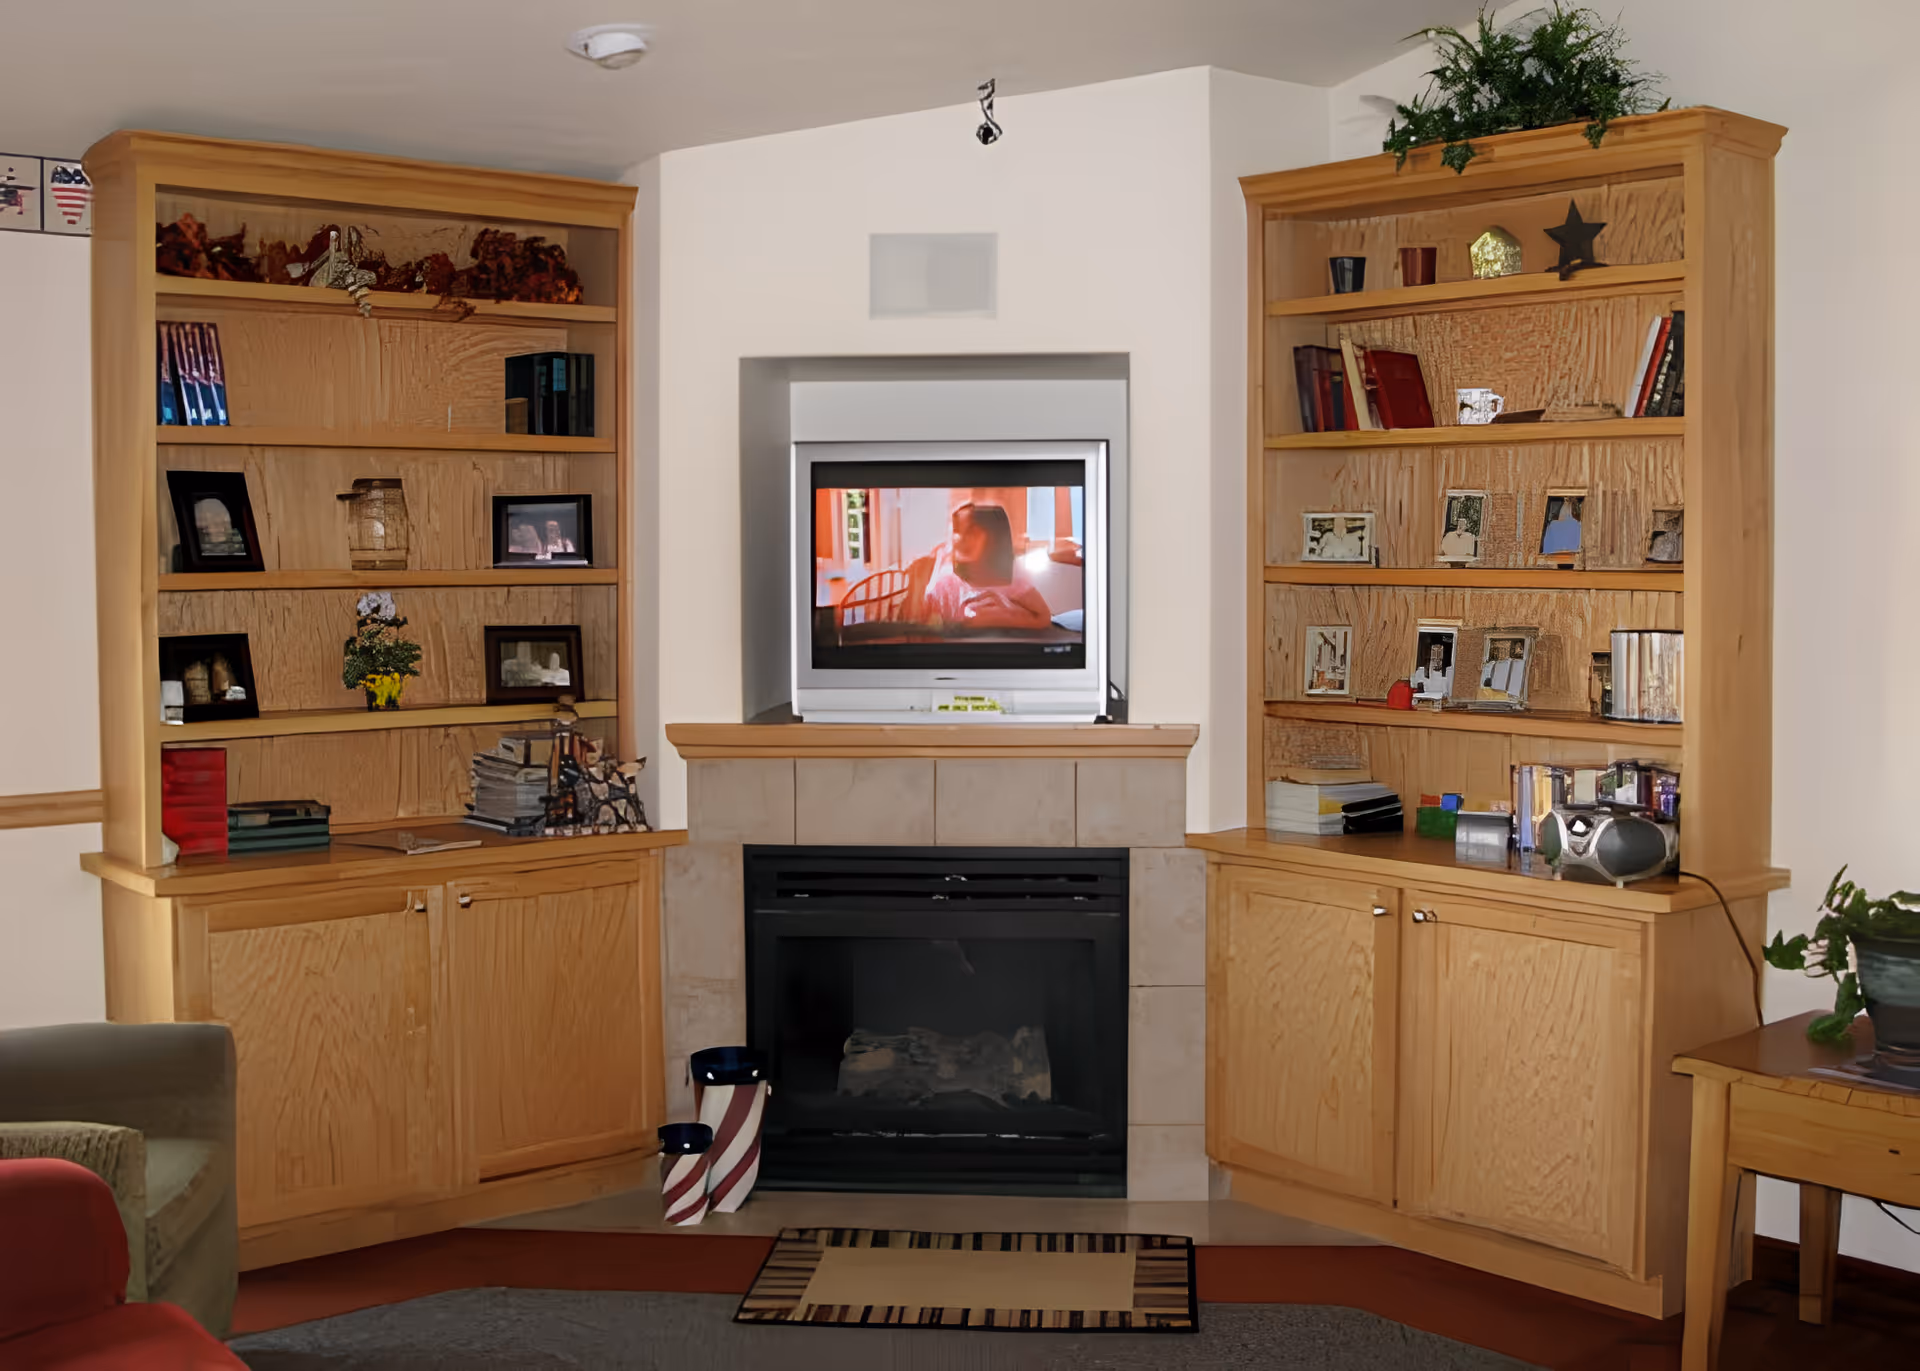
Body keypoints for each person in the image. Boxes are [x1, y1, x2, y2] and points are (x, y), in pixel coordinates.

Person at [920, 503, 1053, 631]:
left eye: (972, 532)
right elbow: (924, 621)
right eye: (957, 531)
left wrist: (1003, 617)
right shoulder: (946, 583)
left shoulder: (1014, 580)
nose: (961, 539)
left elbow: (1043, 617)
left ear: (994, 537)